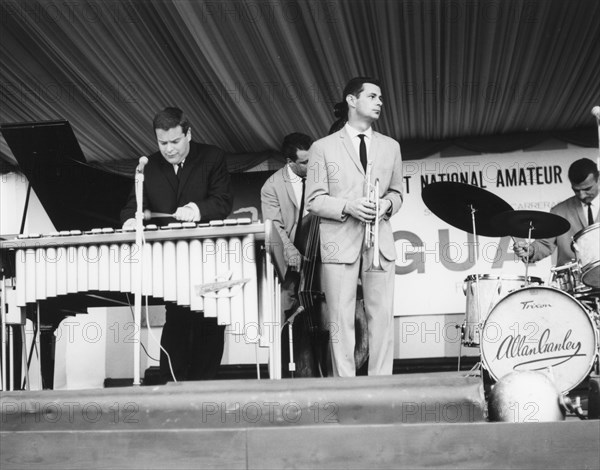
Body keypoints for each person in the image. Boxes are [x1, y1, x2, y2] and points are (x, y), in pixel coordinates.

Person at [120, 107, 233, 382]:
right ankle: (173, 385)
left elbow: (223, 201)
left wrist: (198, 209)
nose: (168, 149)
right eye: (162, 143)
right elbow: (132, 207)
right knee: (178, 321)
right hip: (171, 263)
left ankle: (204, 388)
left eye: (174, 142)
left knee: (210, 321)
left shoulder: (212, 157)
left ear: (188, 134)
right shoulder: (149, 167)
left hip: (208, 257)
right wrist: (130, 221)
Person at [305, 77, 404, 377]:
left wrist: (387, 205)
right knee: (339, 320)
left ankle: (382, 386)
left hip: (379, 245)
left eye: (381, 98)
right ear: (351, 100)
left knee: (382, 318)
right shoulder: (321, 148)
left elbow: (398, 193)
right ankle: (344, 388)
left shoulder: (391, 146)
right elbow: (314, 200)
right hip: (340, 242)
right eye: (373, 96)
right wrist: (348, 206)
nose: (380, 102)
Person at [514, 158, 599, 266]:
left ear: (598, 178)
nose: (582, 195)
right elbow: (545, 243)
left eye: (587, 189)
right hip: (573, 280)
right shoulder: (559, 211)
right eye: (576, 190)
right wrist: (530, 250)